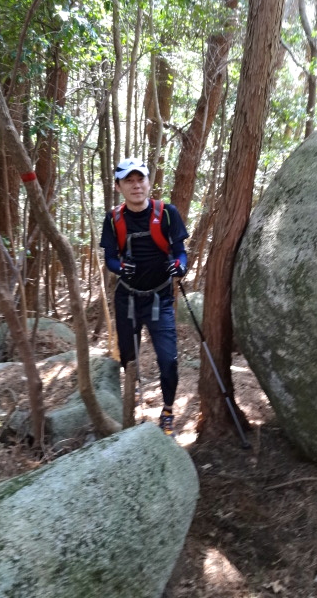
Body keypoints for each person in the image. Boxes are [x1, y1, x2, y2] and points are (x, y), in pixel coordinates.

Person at [100, 157, 189, 436]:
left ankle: (168, 410)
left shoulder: (167, 213)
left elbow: (180, 251)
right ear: (119, 186)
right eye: (129, 180)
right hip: (127, 299)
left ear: (149, 182)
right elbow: (110, 259)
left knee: (168, 359)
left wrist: (180, 266)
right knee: (128, 357)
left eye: (141, 179)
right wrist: (121, 268)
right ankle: (132, 405)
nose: (136, 185)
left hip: (160, 298)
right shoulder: (113, 219)